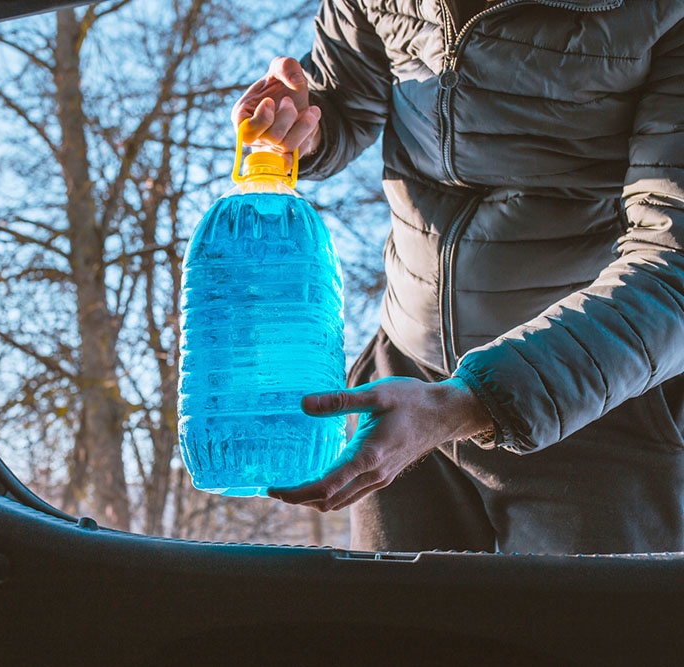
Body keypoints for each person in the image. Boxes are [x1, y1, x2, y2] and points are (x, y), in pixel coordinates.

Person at [234, 0, 684, 554]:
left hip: (590, 389)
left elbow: (675, 271)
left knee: (580, 638)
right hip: (402, 374)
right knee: (394, 634)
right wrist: (301, 129)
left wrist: (468, 404)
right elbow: (344, 97)